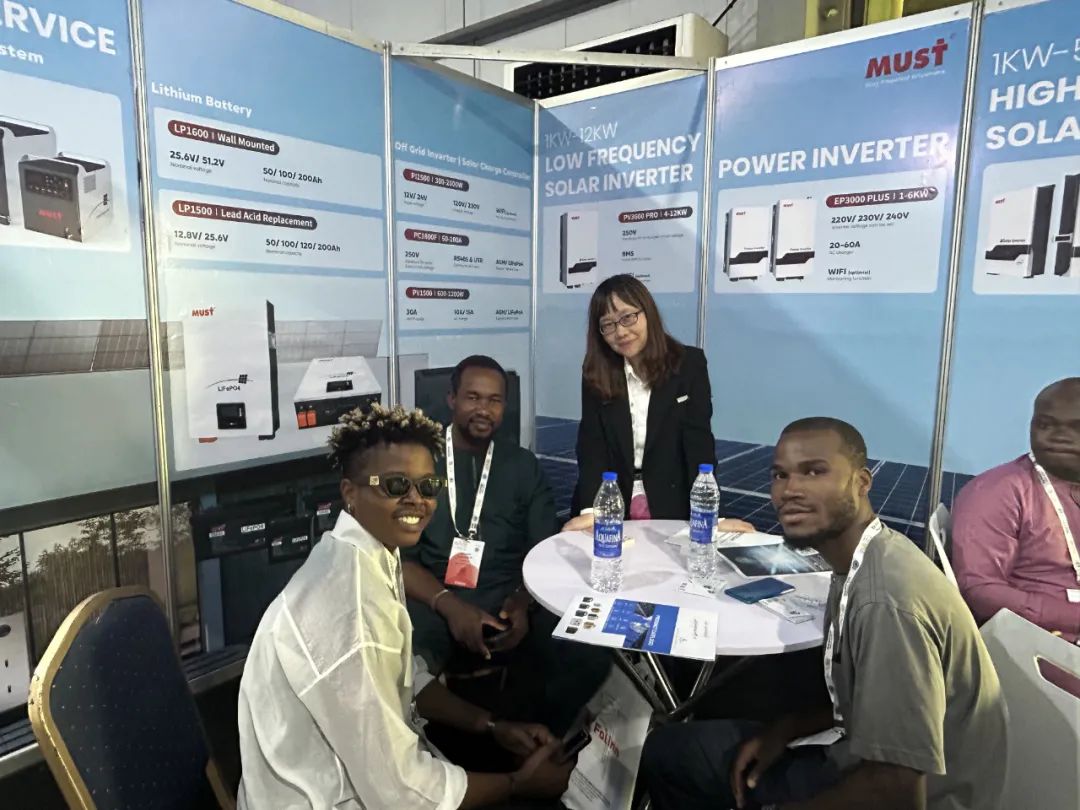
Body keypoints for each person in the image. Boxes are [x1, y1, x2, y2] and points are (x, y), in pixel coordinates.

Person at [640, 417, 1007, 810]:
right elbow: (866, 705)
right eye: (780, 475)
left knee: (669, 756)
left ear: (862, 482)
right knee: (679, 746)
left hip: (917, 793)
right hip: (861, 755)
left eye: (814, 471)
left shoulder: (886, 603)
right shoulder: (870, 555)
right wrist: (786, 729)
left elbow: (896, 790)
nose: (790, 490)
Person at [237, 404, 574, 809]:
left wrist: (492, 725)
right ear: (350, 494)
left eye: (428, 485)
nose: (417, 500)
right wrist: (519, 783)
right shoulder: (351, 613)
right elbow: (403, 794)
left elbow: (404, 679)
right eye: (396, 485)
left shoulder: (365, 553)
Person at [403, 355, 610, 736]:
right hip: (435, 598)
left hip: (507, 598)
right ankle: (430, 753)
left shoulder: (522, 466)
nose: (484, 409)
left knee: (589, 653)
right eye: (473, 398)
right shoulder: (418, 463)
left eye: (494, 400)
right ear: (451, 399)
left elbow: (543, 549)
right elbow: (400, 562)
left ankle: (538, 743)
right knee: (400, 660)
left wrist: (522, 603)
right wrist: (450, 607)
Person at [564, 274, 752, 531]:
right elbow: (591, 445)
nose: (621, 332)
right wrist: (591, 509)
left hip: (672, 501)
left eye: (628, 317)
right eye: (608, 324)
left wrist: (713, 516)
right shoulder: (596, 372)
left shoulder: (688, 364)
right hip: (610, 499)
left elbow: (699, 444)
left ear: (647, 312)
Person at [953, 377, 1080, 642]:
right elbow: (981, 591)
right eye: (1045, 424)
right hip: (1039, 644)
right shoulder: (996, 491)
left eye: (1077, 427)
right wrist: (1071, 616)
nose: (1059, 437)